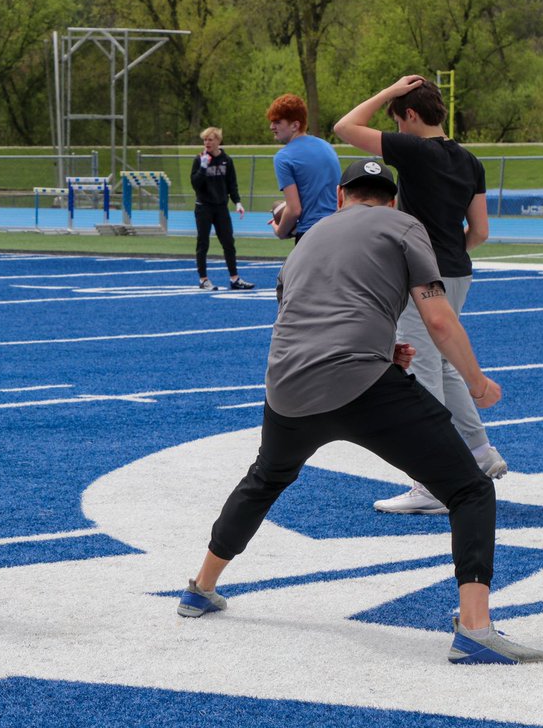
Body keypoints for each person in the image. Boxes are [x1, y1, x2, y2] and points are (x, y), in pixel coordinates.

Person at [176, 159, 543, 665]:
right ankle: (475, 629)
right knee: (469, 489)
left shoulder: (307, 238)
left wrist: (380, 349)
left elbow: (301, 315)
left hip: (288, 383)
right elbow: (437, 319)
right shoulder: (404, 226)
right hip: (362, 385)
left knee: (265, 478)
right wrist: (476, 383)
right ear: (391, 200)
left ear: (340, 196)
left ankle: (201, 586)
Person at [334, 75, 507, 515]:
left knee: (421, 373)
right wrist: (448, 256)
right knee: (444, 364)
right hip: (458, 271)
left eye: (398, 118)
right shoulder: (470, 160)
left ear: (410, 114)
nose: (398, 128)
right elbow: (481, 231)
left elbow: (345, 127)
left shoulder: (414, 149)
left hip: (422, 275)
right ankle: (479, 451)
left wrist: (387, 91)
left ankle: (431, 483)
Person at [265, 94, 340, 242]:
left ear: (295, 125)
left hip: (310, 233)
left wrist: (280, 230)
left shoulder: (283, 156)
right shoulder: (327, 146)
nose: (271, 127)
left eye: (277, 122)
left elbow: (294, 210)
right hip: (337, 228)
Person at [189, 127, 254, 291]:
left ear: (218, 140)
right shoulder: (199, 159)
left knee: (228, 243)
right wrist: (203, 168)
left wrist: (237, 202)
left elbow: (232, 183)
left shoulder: (226, 160)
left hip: (221, 208)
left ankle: (234, 278)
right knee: (203, 243)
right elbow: (195, 184)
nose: (207, 143)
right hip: (204, 207)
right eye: (205, 140)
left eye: (210, 139)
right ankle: (203, 279)